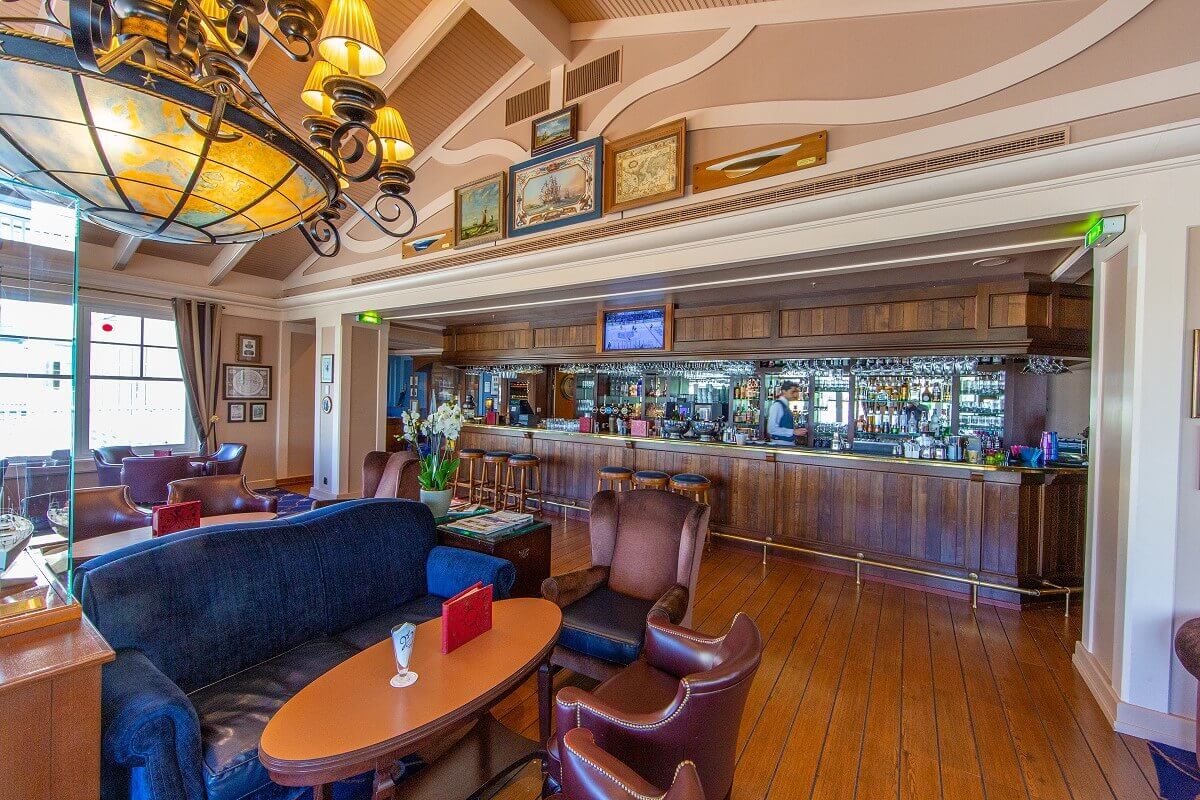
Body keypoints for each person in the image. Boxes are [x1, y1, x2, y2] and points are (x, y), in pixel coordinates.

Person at [767, 380, 809, 446]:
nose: (796, 394)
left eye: (797, 392)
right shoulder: (777, 405)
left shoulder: (785, 405)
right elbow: (771, 429)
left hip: (786, 444)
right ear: (784, 391)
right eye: (793, 392)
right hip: (780, 444)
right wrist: (793, 432)